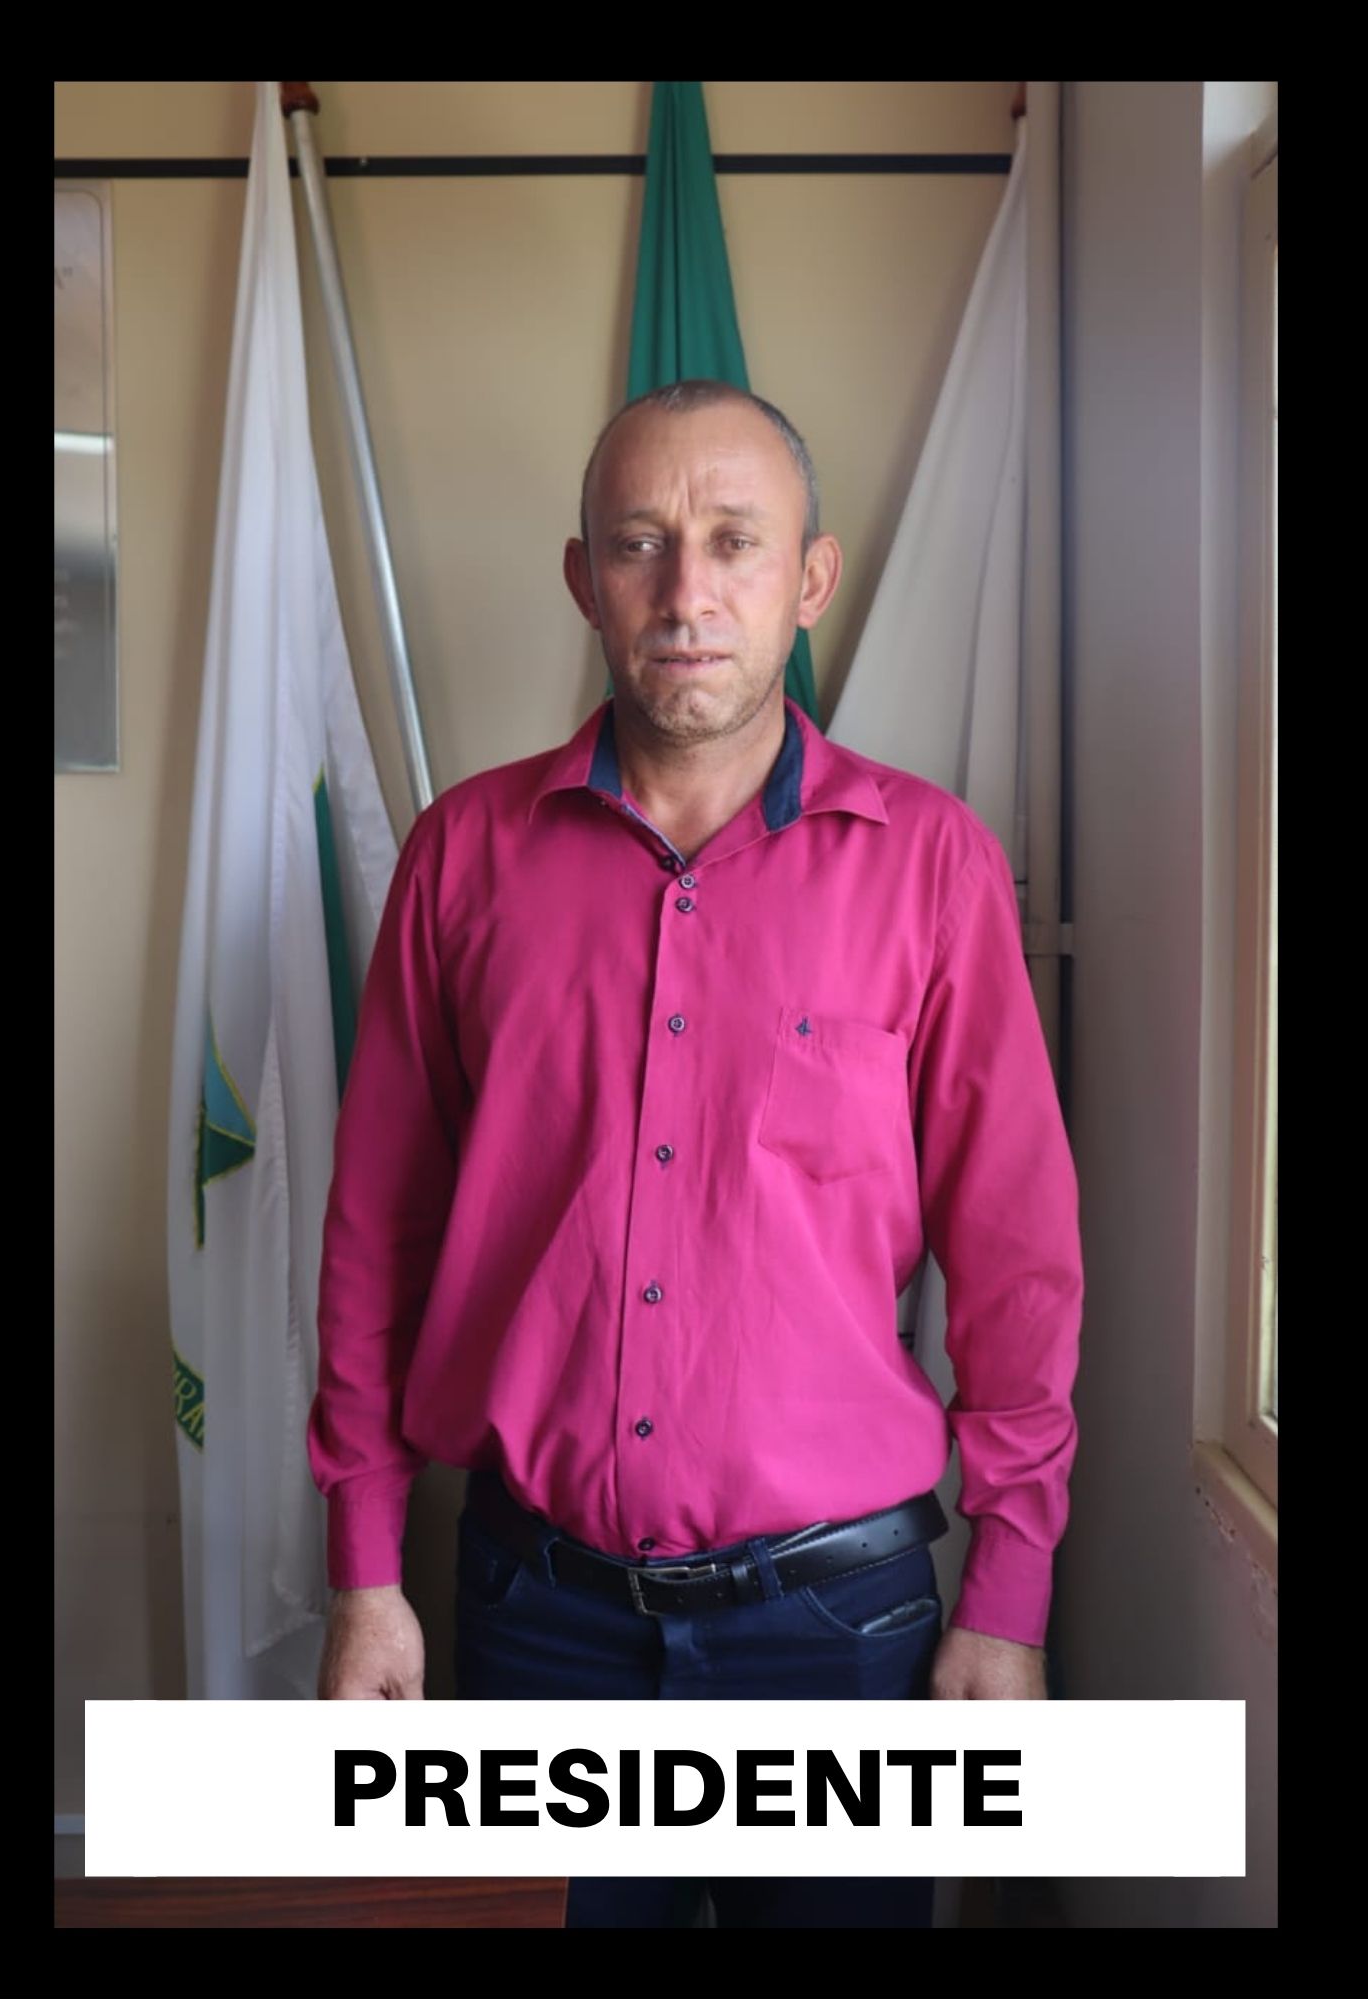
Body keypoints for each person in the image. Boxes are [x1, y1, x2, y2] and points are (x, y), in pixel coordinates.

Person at [309, 379, 1082, 1929]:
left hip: (841, 1627)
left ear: (809, 579)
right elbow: (375, 1233)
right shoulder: (460, 860)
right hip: (539, 1622)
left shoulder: (933, 867)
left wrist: (1008, 1596)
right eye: (638, 543)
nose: (684, 592)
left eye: (734, 542)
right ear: (583, 578)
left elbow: (1015, 1257)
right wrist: (364, 1570)